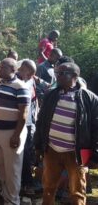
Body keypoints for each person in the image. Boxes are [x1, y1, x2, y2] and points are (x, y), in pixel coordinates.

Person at [34, 62, 98, 205]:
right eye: (57, 73)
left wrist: (94, 155)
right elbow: (41, 121)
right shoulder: (51, 94)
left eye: (62, 73)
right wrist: (38, 145)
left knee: (77, 192)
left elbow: (96, 128)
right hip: (52, 151)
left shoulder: (89, 99)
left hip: (77, 154)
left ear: (75, 76)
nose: (57, 76)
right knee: (48, 188)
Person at [0, 58, 30, 205]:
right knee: (1, 166)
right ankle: (5, 196)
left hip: (12, 133)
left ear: (13, 69)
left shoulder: (21, 86)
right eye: (0, 65)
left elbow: (23, 114)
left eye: (3, 66)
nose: (0, 68)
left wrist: (16, 135)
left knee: (13, 170)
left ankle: (13, 201)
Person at [17, 59, 38, 195]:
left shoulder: (31, 81)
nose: (30, 75)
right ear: (22, 69)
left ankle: (27, 183)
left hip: (29, 123)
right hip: (16, 122)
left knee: (26, 154)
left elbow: (34, 101)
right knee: (18, 153)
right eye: (28, 72)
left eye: (32, 74)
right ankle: (18, 182)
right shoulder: (15, 81)